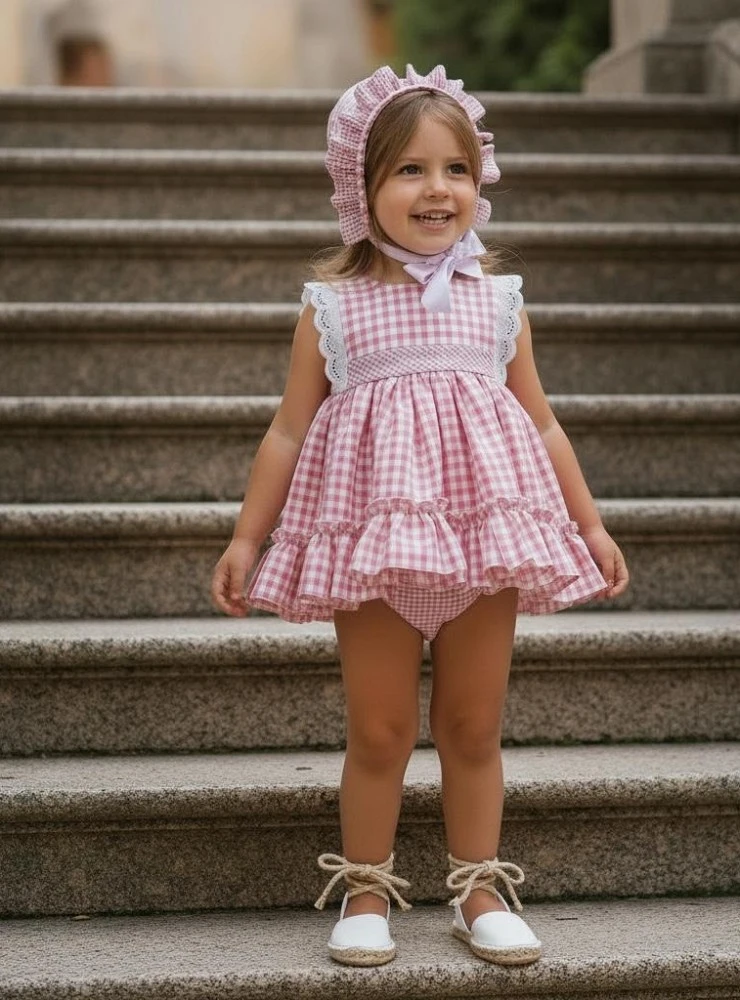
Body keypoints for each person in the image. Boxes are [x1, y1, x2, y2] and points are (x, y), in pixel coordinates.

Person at [212, 63, 629, 968]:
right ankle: (366, 887)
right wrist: (250, 536)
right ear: (361, 190)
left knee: (474, 726)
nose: (436, 188)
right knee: (381, 728)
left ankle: (479, 886)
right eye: (408, 169)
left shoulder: (499, 303)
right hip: (377, 545)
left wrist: (588, 524)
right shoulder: (334, 308)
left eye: (456, 169)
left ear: (479, 188)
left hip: (483, 538)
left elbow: (543, 421)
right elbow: (288, 431)